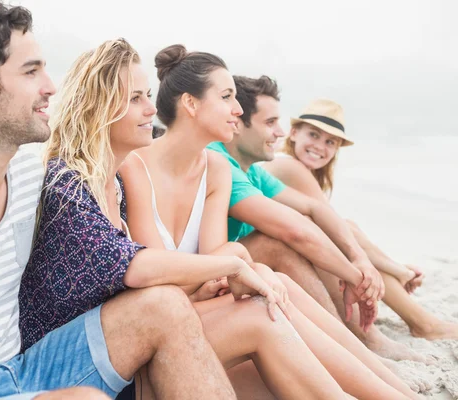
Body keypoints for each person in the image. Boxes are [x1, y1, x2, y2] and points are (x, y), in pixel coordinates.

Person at [0, 5, 219, 400]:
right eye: (31, 72)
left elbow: (96, 165)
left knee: (165, 306)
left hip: (19, 370)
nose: (50, 86)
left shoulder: (32, 180)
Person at [118, 44, 419, 399]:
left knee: (277, 285)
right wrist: (224, 270)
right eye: (227, 96)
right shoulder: (135, 165)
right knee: (267, 298)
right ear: (191, 104)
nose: (238, 109)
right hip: (160, 332)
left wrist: (231, 267)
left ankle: (398, 391)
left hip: (196, 310)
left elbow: (217, 253)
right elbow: (159, 283)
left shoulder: (214, 168)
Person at [205, 74, 430, 364]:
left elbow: (315, 208)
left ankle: (359, 342)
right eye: (270, 122)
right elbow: (298, 231)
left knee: (326, 235)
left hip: (235, 269)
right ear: (238, 123)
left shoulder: (253, 169)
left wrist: (360, 260)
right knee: (284, 241)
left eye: (330, 142)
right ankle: (358, 344)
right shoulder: (223, 161)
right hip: (211, 280)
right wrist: (356, 275)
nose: (280, 132)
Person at [260, 97, 458, 341]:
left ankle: (423, 322)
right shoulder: (289, 166)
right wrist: (398, 270)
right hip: (271, 260)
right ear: (293, 133)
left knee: (350, 235)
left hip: (282, 258)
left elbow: (338, 228)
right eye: (313, 135)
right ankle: (424, 324)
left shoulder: (293, 168)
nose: (320, 146)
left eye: (330, 141)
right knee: (350, 244)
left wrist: (396, 268)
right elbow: (335, 229)